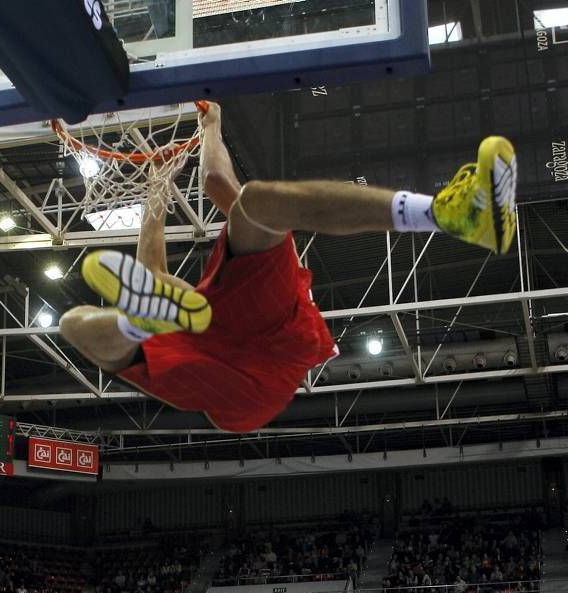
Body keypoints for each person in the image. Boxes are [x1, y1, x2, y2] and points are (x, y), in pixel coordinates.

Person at [60, 102, 517, 433]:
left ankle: (449, 214)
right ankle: (136, 323)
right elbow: (168, 247)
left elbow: (216, 186)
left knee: (254, 201)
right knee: (76, 323)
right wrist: (172, 176)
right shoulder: (236, 278)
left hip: (236, 339)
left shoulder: (231, 274)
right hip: (255, 374)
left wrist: (209, 129)